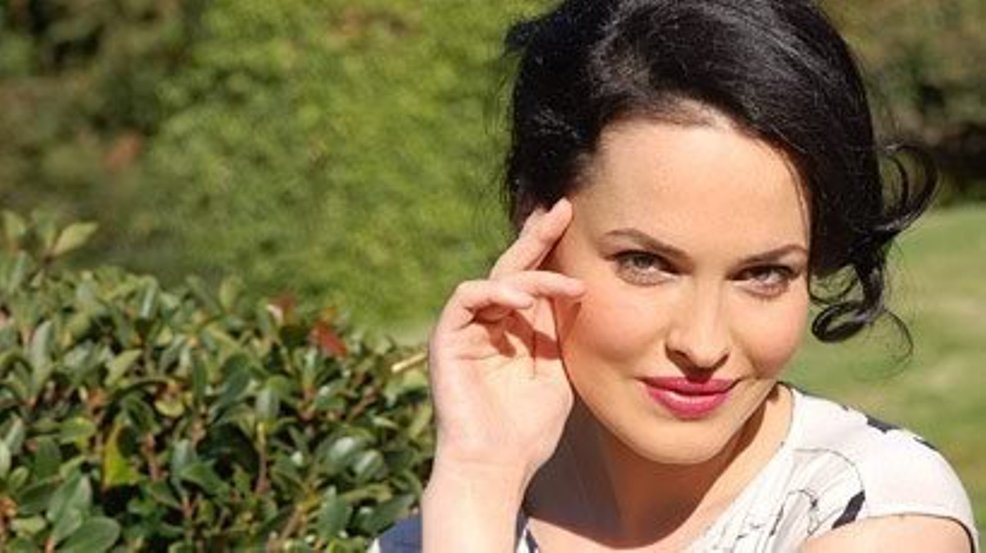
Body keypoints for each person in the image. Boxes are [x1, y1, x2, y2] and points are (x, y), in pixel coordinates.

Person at [372, 0, 978, 550]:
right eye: (647, 264)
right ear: (535, 224)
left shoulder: (877, 513)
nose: (703, 345)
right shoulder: (447, 526)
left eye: (764, 274)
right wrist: (481, 473)